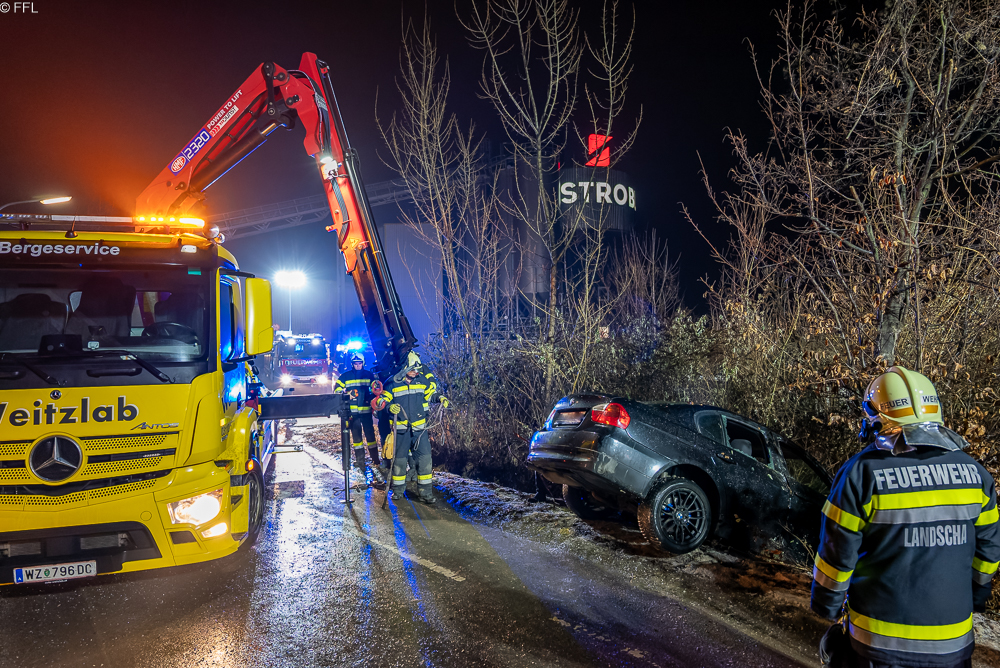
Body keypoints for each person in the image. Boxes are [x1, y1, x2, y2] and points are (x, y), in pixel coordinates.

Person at [811, 366, 1000, 668]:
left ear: (877, 416)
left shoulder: (861, 473)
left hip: (877, 646)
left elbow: (836, 554)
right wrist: (977, 595)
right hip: (953, 647)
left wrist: (827, 604)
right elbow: (988, 552)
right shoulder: (976, 475)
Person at [376, 352, 448, 504]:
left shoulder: (422, 381)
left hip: (420, 431)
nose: (416, 372)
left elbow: (430, 394)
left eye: (417, 369)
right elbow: (381, 401)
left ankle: (425, 493)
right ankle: (398, 491)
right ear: (404, 368)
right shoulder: (392, 383)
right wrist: (389, 407)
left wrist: (440, 397)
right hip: (401, 431)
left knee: (425, 460)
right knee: (399, 461)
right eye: (413, 369)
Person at [333, 353, 381, 479]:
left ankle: (375, 460)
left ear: (363, 363)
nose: (358, 365)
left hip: (366, 412)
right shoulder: (345, 376)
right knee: (357, 438)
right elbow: (337, 390)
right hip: (353, 413)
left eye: (360, 363)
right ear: (352, 364)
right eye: (355, 363)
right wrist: (347, 394)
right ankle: (360, 462)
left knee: (371, 437)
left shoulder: (369, 375)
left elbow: (376, 390)